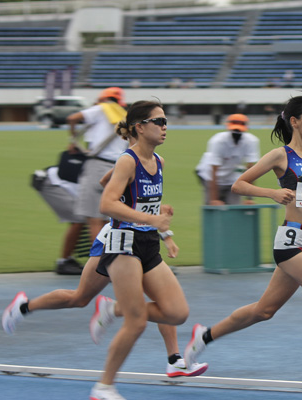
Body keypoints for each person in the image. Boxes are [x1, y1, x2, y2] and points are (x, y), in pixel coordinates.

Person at [184, 90, 302, 395]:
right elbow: (239, 183)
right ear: (295, 122)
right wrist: (272, 193)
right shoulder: (281, 155)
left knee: (264, 310)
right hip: (291, 240)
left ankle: (204, 336)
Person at [1, 219, 207, 379]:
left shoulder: (155, 165)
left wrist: (166, 235)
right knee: (80, 298)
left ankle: (174, 359)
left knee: (164, 303)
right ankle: (23, 307)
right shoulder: (128, 165)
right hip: (114, 242)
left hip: (143, 242)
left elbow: (153, 208)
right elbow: (113, 195)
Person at [89, 100, 192, 400]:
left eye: (165, 122)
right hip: (124, 244)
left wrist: (165, 231)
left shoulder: (157, 161)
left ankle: (112, 308)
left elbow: (137, 199)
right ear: (139, 126)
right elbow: (106, 204)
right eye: (158, 121)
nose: (164, 127)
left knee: (176, 313)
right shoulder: (127, 160)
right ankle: (103, 386)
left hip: (148, 242)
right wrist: (151, 218)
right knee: (135, 323)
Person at [67, 87, 128, 244]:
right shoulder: (125, 116)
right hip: (117, 169)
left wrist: (73, 140)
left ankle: (100, 261)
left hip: (97, 166)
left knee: (95, 219)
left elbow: (72, 118)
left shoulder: (101, 108)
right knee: (112, 220)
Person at [32, 153, 87, 275]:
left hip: (56, 181)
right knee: (79, 219)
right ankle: (64, 262)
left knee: (86, 219)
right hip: (51, 183)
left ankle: (71, 259)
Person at [195, 114, 260, 205]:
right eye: (234, 130)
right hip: (209, 176)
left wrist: (249, 197)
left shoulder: (251, 141)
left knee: (234, 207)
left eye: (239, 130)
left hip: (231, 176)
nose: (236, 133)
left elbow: (251, 169)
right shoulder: (218, 141)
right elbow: (213, 170)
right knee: (213, 208)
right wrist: (214, 199)